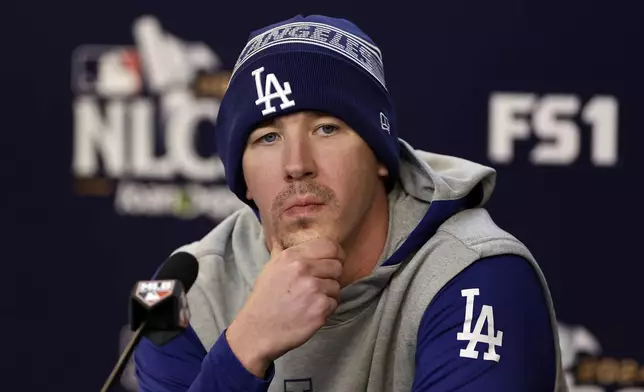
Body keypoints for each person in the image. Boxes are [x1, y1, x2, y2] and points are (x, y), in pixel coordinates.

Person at [133, 14, 568, 392]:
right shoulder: (177, 291)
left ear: (380, 157)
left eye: (326, 129)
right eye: (267, 137)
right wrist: (245, 346)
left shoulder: (479, 274)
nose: (297, 165)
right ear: (243, 181)